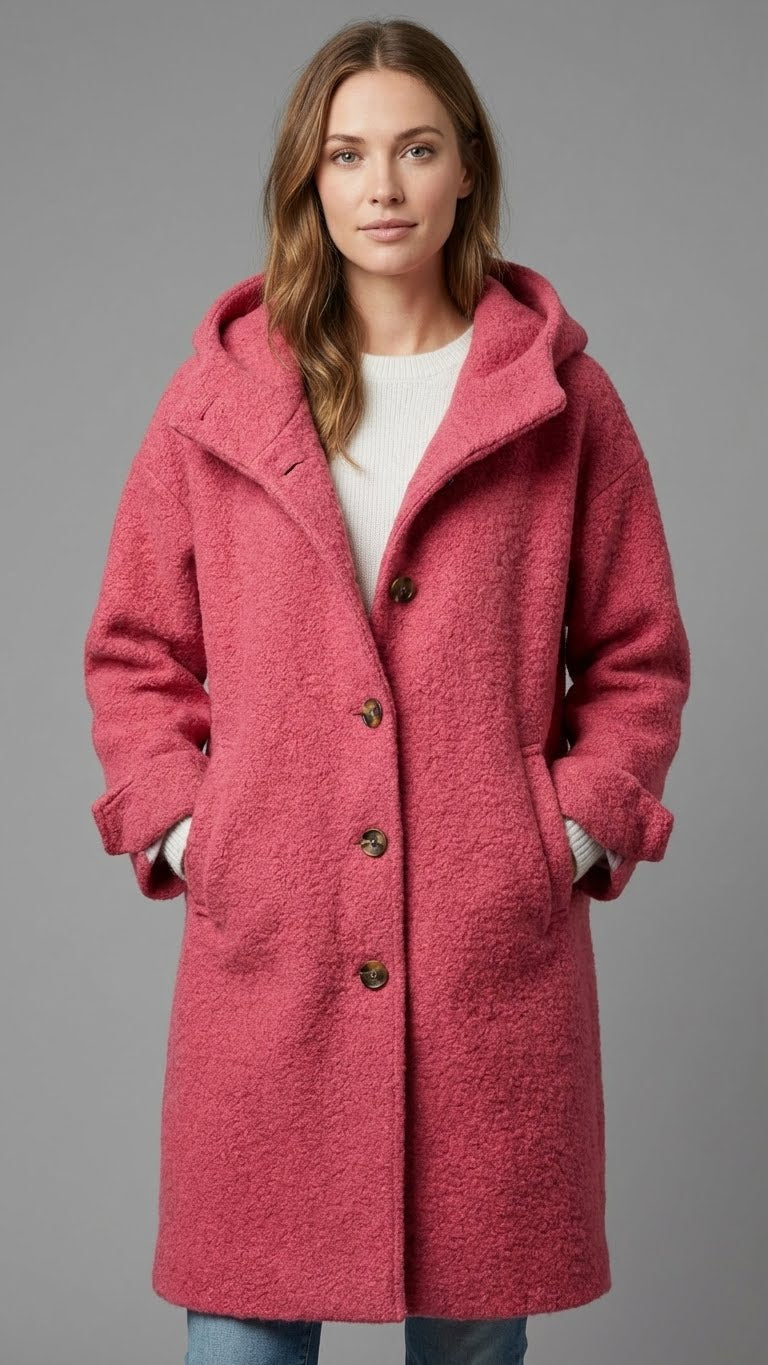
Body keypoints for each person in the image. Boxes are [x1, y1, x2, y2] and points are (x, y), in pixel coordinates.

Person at [83, 18, 691, 1365]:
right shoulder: (220, 402)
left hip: (485, 974)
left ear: (467, 167)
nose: (383, 187)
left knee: (470, 1347)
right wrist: (196, 833)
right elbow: (133, 650)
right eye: (348, 154)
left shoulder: (560, 403)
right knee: (240, 1340)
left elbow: (639, 655)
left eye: (416, 150)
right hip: (271, 957)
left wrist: (558, 835)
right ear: (309, 178)